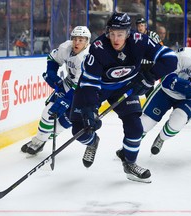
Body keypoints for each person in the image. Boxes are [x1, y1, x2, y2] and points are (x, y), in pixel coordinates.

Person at [69, 12, 178, 183]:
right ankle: (92, 142)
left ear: (128, 32)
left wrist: (150, 76)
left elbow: (171, 59)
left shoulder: (140, 41)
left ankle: (129, 163)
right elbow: (89, 84)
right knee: (79, 130)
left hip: (125, 87)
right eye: (112, 33)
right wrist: (89, 109)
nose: (115, 38)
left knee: (135, 126)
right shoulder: (98, 48)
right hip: (97, 89)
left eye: (120, 34)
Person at [140, 34, 191, 155]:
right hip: (167, 92)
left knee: (176, 124)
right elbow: (166, 74)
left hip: (189, 100)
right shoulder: (185, 54)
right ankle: (129, 147)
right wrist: (178, 84)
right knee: (145, 123)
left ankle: (161, 139)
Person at [21, 26, 91, 155]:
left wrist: (65, 100)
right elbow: (52, 59)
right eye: (75, 39)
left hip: (85, 92)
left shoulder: (86, 58)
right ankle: (39, 141)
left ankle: (43, 141)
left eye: (81, 40)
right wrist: (52, 74)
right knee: (48, 112)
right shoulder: (66, 47)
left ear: (87, 42)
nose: (77, 42)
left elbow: (79, 87)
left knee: (66, 121)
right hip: (69, 84)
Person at [135, 17, 162, 98]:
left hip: (150, 65)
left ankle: (150, 102)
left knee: (148, 86)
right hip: (139, 65)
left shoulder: (153, 35)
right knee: (135, 85)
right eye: (139, 26)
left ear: (145, 26)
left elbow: (160, 47)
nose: (140, 28)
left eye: (142, 25)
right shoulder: (134, 36)